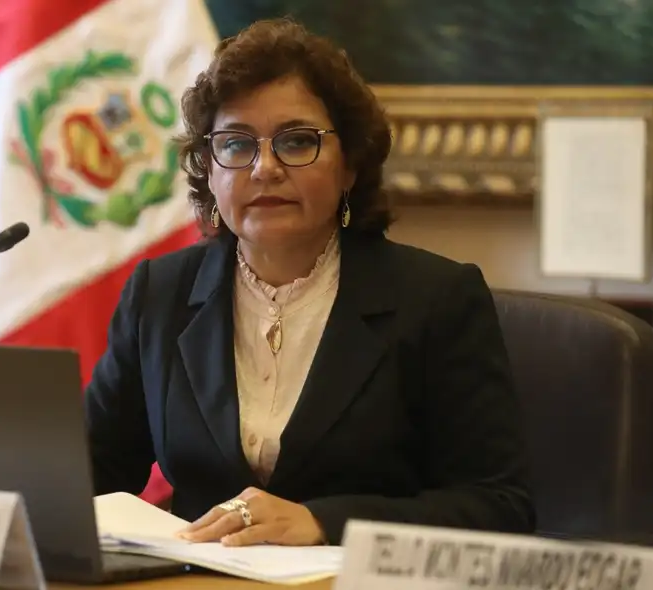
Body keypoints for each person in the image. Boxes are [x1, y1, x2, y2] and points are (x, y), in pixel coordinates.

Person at [84, 17, 535, 547]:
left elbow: (500, 506)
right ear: (209, 168)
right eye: (236, 144)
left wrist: (326, 521)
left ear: (350, 166)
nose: (265, 168)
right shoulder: (158, 294)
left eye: (297, 142)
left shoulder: (436, 300)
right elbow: (90, 474)